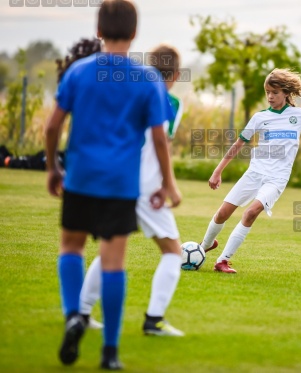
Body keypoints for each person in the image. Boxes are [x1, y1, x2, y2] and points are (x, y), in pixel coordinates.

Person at [44, 0, 180, 369]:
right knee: (113, 262)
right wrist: (168, 184)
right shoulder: (148, 80)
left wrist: (55, 168)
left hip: (81, 177)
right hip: (121, 184)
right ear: (135, 33)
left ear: (99, 30)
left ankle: (74, 314)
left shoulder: (79, 72)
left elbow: (53, 126)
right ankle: (110, 352)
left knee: (71, 249)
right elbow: (158, 138)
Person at [78, 44, 186, 337]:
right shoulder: (171, 102)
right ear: (175, 74)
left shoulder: (128, 91)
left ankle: (82, 314)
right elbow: (161, 143)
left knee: (110, 250)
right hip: (148, 188)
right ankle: (154, 320)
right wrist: (169, 185)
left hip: (117, 182)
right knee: (173, 251)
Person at [199, 68, 301, 273]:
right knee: (222, 213)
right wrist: (217, 171)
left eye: (275, 92)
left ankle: (222, 260)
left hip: (277, 178)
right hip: (255, 173)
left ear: (286, 93)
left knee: (251, 212)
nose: (270, 97)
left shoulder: (298, 115)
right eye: (268, 93)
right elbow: (238, 145)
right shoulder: (259, 117)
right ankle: (204, 246)